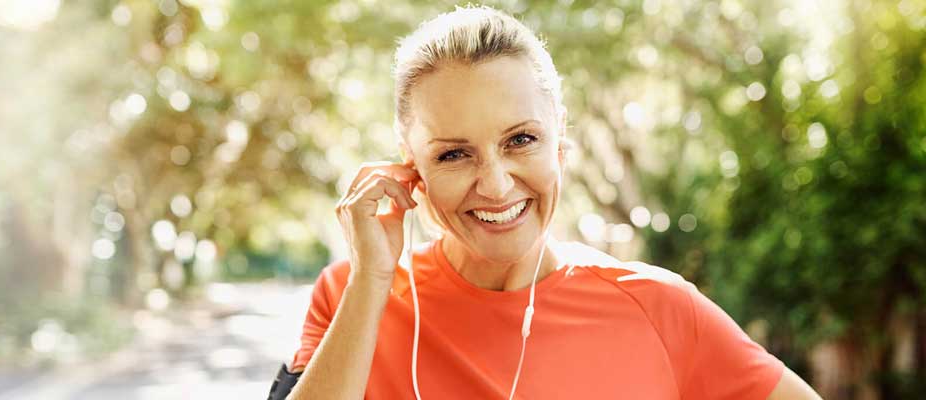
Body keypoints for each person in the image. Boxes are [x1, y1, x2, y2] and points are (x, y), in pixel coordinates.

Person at [270, 5, 822, 400]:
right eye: (454, 154)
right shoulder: (351, 294)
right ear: (407, 162)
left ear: (560, 135)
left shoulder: (660, 308)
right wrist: (371, 281)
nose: (496, 185)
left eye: (520, 140)